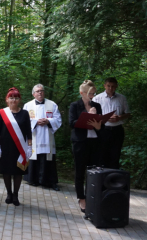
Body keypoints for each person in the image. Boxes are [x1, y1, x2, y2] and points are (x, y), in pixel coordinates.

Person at [69, 80, 104, 213]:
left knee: (94, 171)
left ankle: (91, 196)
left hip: (95, 142)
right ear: (82, 93)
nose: (92, 96)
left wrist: (98, 125)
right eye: (90, 93)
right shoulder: (74, 106)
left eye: (94, 93)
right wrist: (88, 116)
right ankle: (81, 198)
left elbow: (101, 126)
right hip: (80, 142)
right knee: (80, 170)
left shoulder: (97, 105)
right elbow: (72, 123)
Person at [0, 87, 32, 206]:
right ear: (7, 99)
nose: (14, 100)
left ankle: (15, 194)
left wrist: (29, 147)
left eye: (16, 98)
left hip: (19, 148)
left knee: (17, 172)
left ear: (19, 100)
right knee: (6, 171)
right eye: (11, 98)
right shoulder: (2, 113)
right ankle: (9, 193)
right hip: (5, 147)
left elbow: (28, 132)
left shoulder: (25, 113)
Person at [23, 84, 62, 191]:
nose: (40, 93)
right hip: (34, 136)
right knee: (34, 157)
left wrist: (48, 121)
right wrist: (36, 121)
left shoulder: (52, 104)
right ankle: (33, 180)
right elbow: (24, 121)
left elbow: (58, 119)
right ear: (33, 93)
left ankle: (49, 181)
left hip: (47, 136)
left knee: (47, 158)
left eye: (42, 91)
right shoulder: (27, 105)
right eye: (38, 91)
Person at [92, 77, 131, 169]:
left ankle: (113, 180)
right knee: (102, 155)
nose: (110, 88)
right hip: (103, 129)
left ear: (116, 86)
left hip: (117, 130)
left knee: (115, 155)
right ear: (104, 86)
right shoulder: (97, 98)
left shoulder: (121, 98)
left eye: (113, 86)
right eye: (108, 86)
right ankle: (102, 180)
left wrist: (120, 117)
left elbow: (128, 113)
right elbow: (93, 116)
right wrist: (105, 118)